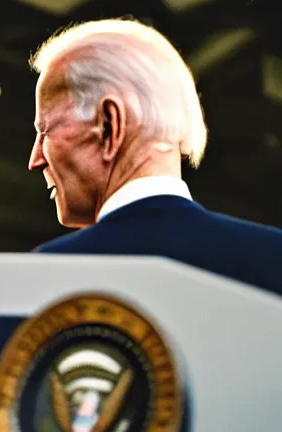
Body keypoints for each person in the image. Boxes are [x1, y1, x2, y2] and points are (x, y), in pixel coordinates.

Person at [28, 18, 282, 297]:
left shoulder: (47, 278)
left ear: (110, 124)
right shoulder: (273, 256)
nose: (35, 159)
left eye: (46, 130)